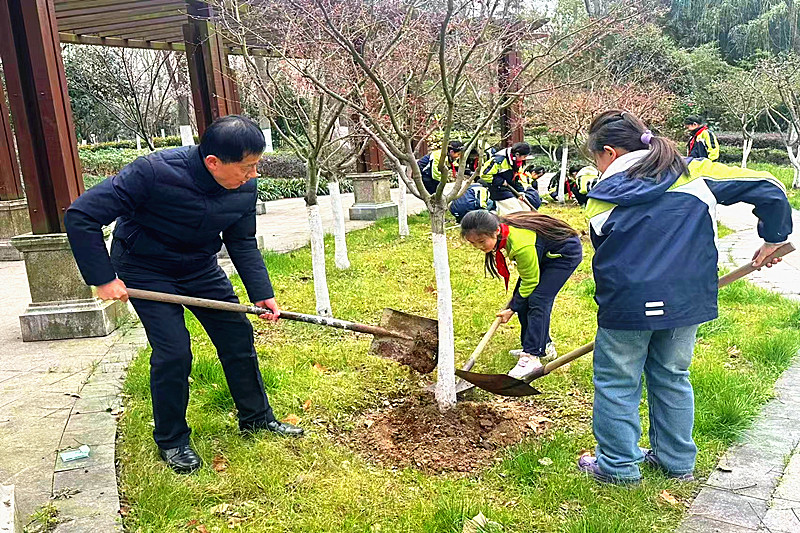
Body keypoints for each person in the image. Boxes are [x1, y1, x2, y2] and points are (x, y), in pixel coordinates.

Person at [64, 115, 304, 474]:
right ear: (213, 162)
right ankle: (172, 440)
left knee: (236, 334)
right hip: (144, 268)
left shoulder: (243, 185)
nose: (252, 175)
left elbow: (240, 240)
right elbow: (81, 215)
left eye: (257, 166)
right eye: (247, 167)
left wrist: (261, 292)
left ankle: (257, 418)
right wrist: (103, 277)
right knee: (174, 351)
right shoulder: (153, 172)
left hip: (198, 266)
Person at [579, 110, 792, 484]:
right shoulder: (695, 175)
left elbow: (606, 253)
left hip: (626, 307)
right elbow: (770, 186)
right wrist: (774, 236)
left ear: (608, 153)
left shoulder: (598, 200)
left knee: (617, 382)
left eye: (595, 158)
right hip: (687, 300)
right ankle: (676, 463)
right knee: (672, 374)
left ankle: (618, 468)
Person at [461, 210, 583, 379]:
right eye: (473, 243)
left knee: (538, 299)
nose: (479, 247)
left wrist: (512, 308)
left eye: (482, 241)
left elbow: (530, 281)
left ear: (496, 231)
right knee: (524, 299)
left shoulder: (520, 244)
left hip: (562, 255)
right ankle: (543, 346)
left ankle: (532, 356)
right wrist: (516, 304)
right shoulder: (505, 231)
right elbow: (528, 279)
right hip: (543, 254)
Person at [481, 142, 533, 215]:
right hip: (497, 189)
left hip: (510, 188)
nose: (525, 159)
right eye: (524, 156)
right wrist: (500, 181)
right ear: (517, 154)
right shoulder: (499, 160)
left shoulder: (518, 163)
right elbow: (484, 174)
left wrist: (521, 192)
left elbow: (517, 178)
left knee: (526, 209)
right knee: (516, 211)